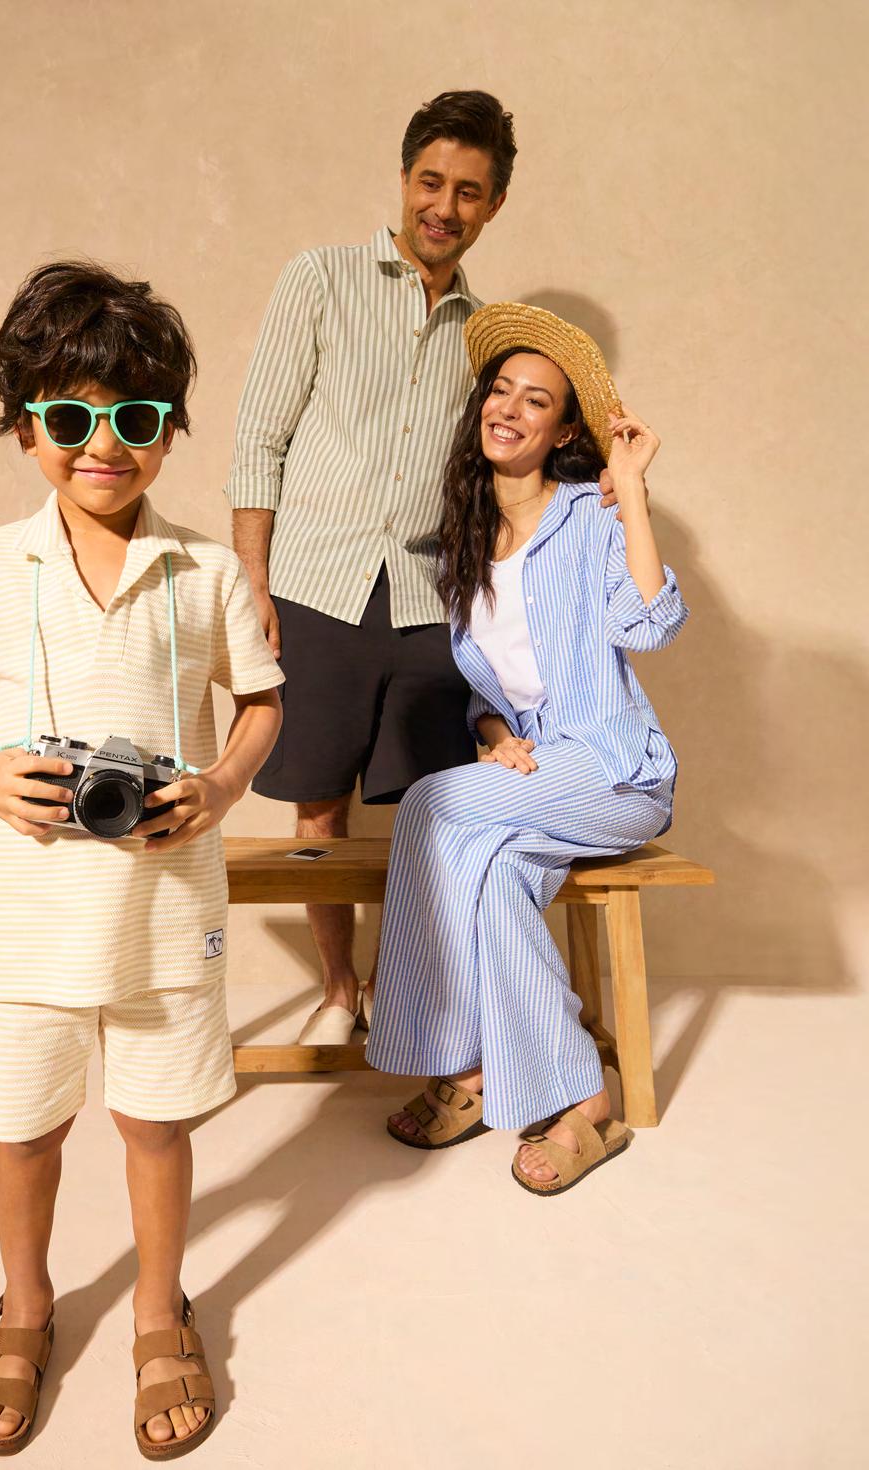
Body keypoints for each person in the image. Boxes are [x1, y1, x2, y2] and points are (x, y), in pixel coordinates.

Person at [0, 261, 283, 1456]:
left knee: (157, 1126)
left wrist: (221, 785)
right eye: (68, 418)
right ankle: (24, 1305)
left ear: (170, 428)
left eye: (135, 417)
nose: (102, 445)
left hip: (164, 910)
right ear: (26, 427)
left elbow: (261, 701)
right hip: (28, 917)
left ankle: (160, 1312)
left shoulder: (205, 573)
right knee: (24, 1130)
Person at [365, 302, 688, 1196]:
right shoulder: (465, 544)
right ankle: (584, 1099)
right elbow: (489, 687)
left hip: (616, 771)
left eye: (535, 400)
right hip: (539, 772)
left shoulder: (588, 514)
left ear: (564, 431)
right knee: (497, 874)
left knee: (432, 803)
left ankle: (463, 1065)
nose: (508, 408)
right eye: (500, 390)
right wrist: (494, 735)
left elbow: (649, 625)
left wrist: (631, 491)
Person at [224, 91, 516, 1045]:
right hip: (315, 584)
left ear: (493, 204)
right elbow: (259, 439)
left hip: (427, 596)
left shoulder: (487, 334)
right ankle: (339, 991)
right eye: (431, 182)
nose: (444, 206)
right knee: (319, 805)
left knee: (433, 808)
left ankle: (412, 993)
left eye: (467, 191)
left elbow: (483, 477)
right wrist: (253, 583)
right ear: (402, 179)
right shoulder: (319, 278)